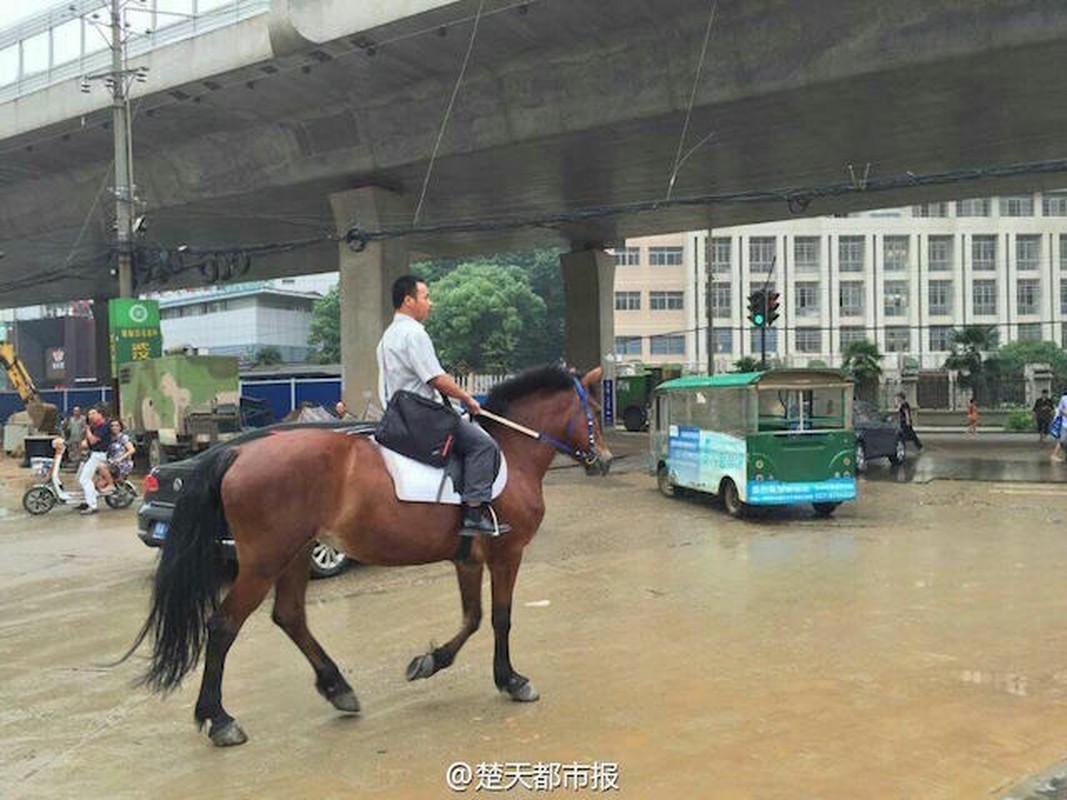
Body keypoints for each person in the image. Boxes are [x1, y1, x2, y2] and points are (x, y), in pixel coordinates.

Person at [376, 275, 509, 536]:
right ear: (408, 300)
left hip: (396, 416)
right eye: (426, 297)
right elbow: (435, 378)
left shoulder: (387, 337)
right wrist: (467, 399)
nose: (431, 303)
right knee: (484, 446)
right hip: (422, 418)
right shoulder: (414, 333)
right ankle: (473, 513)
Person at [77, 408, 111, 515]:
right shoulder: (95, 427)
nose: (91, 416)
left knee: (85, 479)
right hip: (93, 454)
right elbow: (88, 442)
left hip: (98, 456)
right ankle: (88, 499)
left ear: (100, 415)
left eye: (93, 413)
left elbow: (93, 440)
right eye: (89, 414)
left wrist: (87, 429)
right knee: (80, 478)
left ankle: (92, 505)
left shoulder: (104, 427)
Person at [95, 418, 136, 495]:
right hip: (111, 463)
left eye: (117, 425)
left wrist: (120, 459)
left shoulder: (123, 437)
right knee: (98, 484)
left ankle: (111, 485)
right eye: (112, 426)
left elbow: (132, 450)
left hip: (121, 464)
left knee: (100, 466)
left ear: (120, 427)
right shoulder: (110, 438)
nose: (114, 427)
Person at [1051, 392, 1067, 462]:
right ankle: (1054, 455)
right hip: (1064, 424)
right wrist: (1064, 413)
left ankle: (1054, 455)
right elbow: (1059, 410)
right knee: (1062, 440)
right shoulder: (1064, 398)